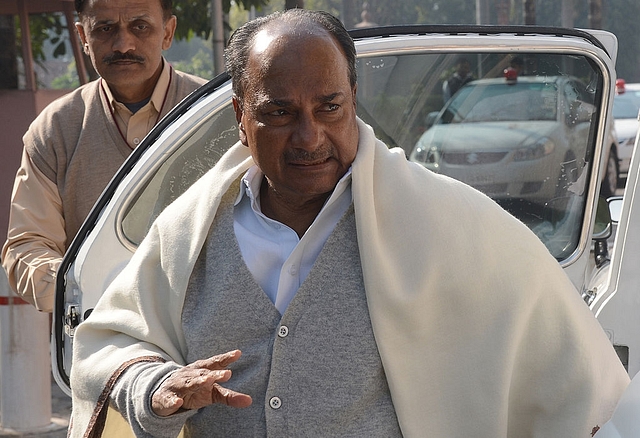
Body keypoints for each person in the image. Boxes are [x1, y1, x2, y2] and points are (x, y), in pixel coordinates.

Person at [69, 9, 629, 438]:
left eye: (329, 107)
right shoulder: (190, 233)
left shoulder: (452, 226)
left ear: (353, 99)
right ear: (241, 117)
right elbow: (111, 339)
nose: (309, 137)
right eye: (280, 113)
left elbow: (572, 375)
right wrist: (155, 387)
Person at [1, 0, 207, 312]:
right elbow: (27, 248)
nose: (123, 44)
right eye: (105, 29)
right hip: (97, 343)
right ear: (83, 37)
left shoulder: (218, 116)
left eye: (140, 26)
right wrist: (91, 292)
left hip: (205, 336)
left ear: (168, 32)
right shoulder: (56, 129)